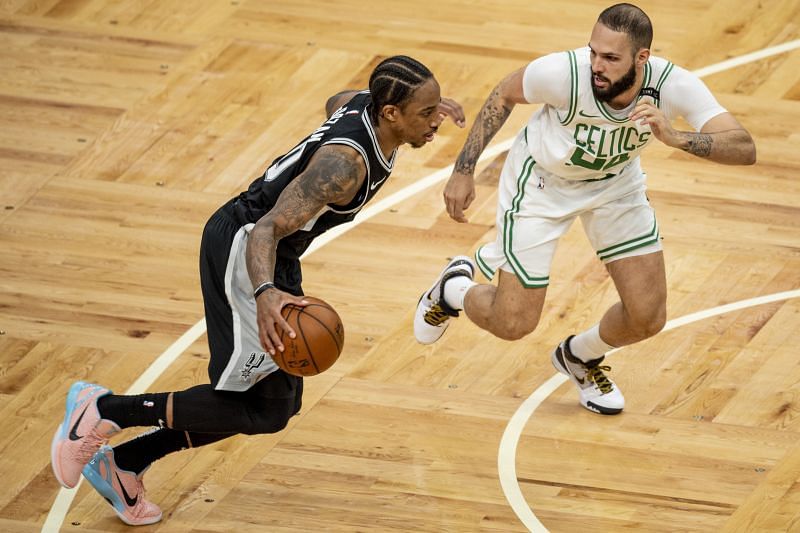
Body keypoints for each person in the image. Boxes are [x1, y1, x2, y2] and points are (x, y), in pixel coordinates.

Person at [51, 55, 465, 526]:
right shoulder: (344, 166)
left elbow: (339, 101)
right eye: (427, 113)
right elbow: (267, 228)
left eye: (436, 108)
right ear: (389, 113)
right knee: (254, 404)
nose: (437, 122)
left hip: (277, 255)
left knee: (277, 406)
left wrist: (423, 105)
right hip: (246, 250)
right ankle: (103, 410)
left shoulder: (364, 108)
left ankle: (124, 463)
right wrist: (266, 292)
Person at [414, 3, 756, 415]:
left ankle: (579, 356)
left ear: (642, 58)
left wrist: (678, 138)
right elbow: (503, 93)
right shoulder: (562, 73)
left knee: (648, 317)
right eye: (594, 52)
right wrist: (463, 170)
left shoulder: (674, 85)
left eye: (611, 58)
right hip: (542, 183)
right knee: (513, 324)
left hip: (616, 186)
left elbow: (744, 147)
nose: (597, 64)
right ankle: (453, 288)